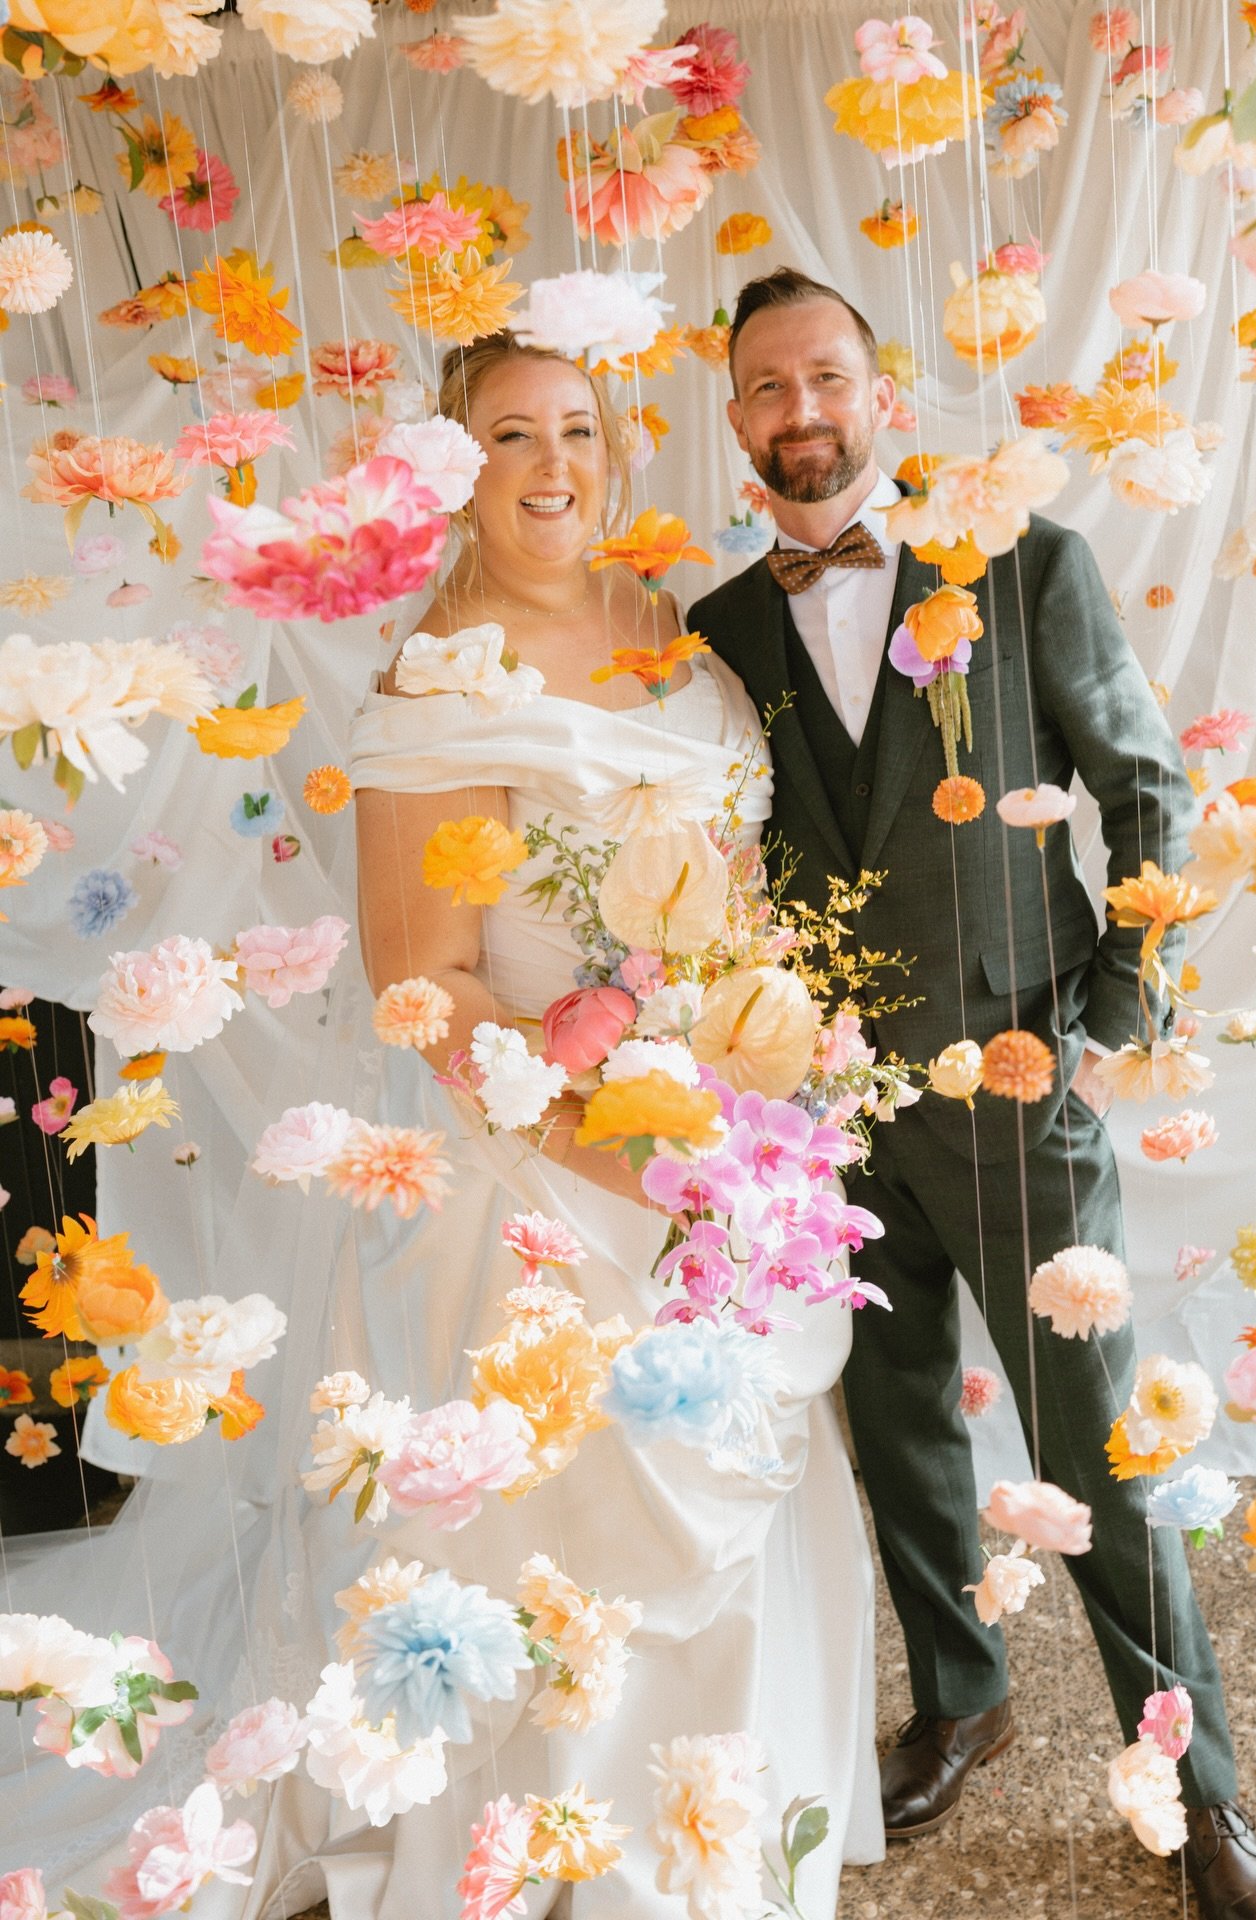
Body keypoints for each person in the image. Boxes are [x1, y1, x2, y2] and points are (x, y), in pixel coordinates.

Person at [689, 267, 1256, 1920]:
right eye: (765, 388)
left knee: (1095, 1459)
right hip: (821, 1114)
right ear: (733, 415)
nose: (800, 414)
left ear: (880, 393)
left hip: (1022, 1080)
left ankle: (1200, 1790)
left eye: (826, 379)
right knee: (893, 1434)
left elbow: (1146, 791)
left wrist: (1113, 1011)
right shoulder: (719, 634)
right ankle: (962, 1698)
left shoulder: (1022, 563)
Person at [328, 330, 883, 1917]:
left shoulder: (685, 639)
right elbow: (422, 987)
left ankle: (742, 1836)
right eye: (510, 435)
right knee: (588, 1536)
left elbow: (751, 904)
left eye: (578, 428)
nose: (554, 464)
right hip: (557, 1183)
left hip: (731, 1147)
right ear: (457, 466)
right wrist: (635, 1154)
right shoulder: (437, 682)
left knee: (751, 1487)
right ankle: (583, 1867)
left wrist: (761, 1081)